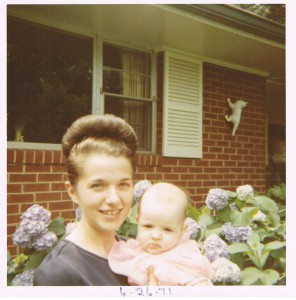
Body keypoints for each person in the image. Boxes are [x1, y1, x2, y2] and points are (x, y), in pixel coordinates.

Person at [33, 114, 138, 286]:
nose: (114, 199)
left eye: (123, 184)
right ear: (72, 191)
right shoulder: (59, 274)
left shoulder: (134, 250)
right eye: (98, 186)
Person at [108, 182, 213, 286]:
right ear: (138, 221)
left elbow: (200, 286)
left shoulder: (183, 257)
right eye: (148, 226)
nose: (155, 236)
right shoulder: (132, 253)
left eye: (167, 229)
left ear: (182, 230)